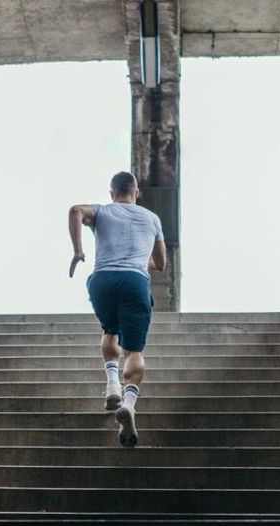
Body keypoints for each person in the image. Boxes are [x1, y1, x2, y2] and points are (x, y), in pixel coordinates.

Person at [67, 171, 167, 447]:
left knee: (110, 330)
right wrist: (139, 259)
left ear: (112, 193)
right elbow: (160, 264)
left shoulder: (102, 211)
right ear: (136, 193)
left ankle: (112, 384)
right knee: (133, 351)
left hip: (102, 281)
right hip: (135, 282)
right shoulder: (152, 218)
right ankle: (129, 404)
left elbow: (75, 210)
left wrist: (78, 250)